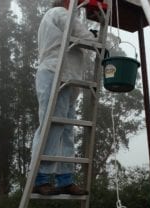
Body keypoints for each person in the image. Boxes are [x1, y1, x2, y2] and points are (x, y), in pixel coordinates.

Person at [30, 0, 95, 195]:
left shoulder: (57, 17)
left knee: (66, 129)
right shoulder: (58, 13)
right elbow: (80, 33)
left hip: (66, 78)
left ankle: (65, 178)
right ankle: (39, 177)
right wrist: (96, 40)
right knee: (52, 125)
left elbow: (76, 36)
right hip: (55, 74)